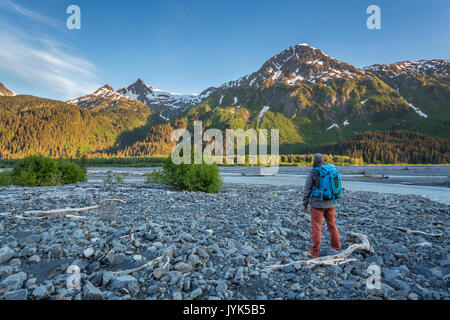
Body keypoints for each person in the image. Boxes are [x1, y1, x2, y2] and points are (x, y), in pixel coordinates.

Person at [302, 153, 341, 258]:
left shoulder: (313, 172)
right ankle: (336, 248)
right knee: (332, 225)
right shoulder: (330, 170)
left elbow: (307, 188)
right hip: (330, 202)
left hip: (317, 204)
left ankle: (315, 252)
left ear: (314, 161)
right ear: (323, 160)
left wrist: (305, 203)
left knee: (316, 227)